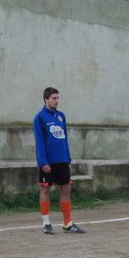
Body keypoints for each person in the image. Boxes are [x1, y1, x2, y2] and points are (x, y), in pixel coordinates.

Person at [33, 87, 85, 234]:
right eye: (53, 98)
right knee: (45, 190)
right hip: (48, 162)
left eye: (58, 98)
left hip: (62, 160)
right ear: (46, 99)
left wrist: (67, 157)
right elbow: (39, 141)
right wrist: (43, 162)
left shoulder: (61, 116)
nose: (56, 101)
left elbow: (64, 138)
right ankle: (46, 223)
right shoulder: (39, 117)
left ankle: (68, 223)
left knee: (66, 189)